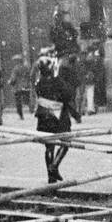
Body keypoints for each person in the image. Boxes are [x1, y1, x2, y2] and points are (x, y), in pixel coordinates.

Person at [34, 54, 82, 183]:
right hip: (58, 115)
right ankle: (54, 166)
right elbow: (67, 95)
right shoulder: (57, 81)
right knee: (66, 141)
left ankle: (51, 178)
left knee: (49, 146)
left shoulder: (39, 82)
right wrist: (75, 113)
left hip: (44, 115)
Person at [9, 54, 33, 120]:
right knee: (28, 99)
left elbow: (13, 79)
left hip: (18, 88)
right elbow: (29, 76)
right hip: (26, 86)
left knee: (18, 102)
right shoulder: (26, 68)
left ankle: (21, 115)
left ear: (17, 61)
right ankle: (31, 109)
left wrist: (10, 82)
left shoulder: (15, 69)